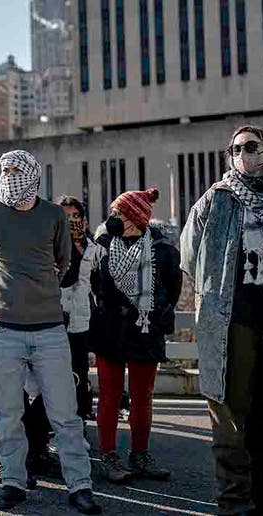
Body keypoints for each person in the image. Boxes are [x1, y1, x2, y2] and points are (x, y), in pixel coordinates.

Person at [0, 150, 101, 514]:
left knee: (65, 413)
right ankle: (13, 481)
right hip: (3, 327)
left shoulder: (52, 214)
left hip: (49, 328)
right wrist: (5, 292)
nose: (10, 175)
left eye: (17, 170)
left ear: (32, 173)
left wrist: (39, 290)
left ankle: (80, 485)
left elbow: (64, 263)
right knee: (7, 412)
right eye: (5, 170)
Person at [180, 126, 263, 516]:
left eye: (251, 146)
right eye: (235, 148)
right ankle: (234, 501)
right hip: (231, 321)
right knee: (230, 413)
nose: (243, 153)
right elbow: (190, 255)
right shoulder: (217, 198)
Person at [91, 189, 180, 484]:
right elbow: (93, 283)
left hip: (145, 330)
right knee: (109, 397)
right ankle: (108, 455)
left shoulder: (162, 248)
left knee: (143, 397)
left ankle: (140, 455)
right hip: (111, 330)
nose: (113, 218)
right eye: (113, 212)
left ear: (136, 216)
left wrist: (155, 311)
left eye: (120, 213)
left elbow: (173, 288)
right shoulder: (102, 245)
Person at [58, 196, 97, 422]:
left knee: (80, 370)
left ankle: (81, 415)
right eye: (66, 217)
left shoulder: (92, 246)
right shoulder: (53, 245)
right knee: (58, 371)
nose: (71, 221)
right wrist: (72, 248)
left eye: (75, 216)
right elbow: (65, 279)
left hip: (81, 317)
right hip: (56, 314)